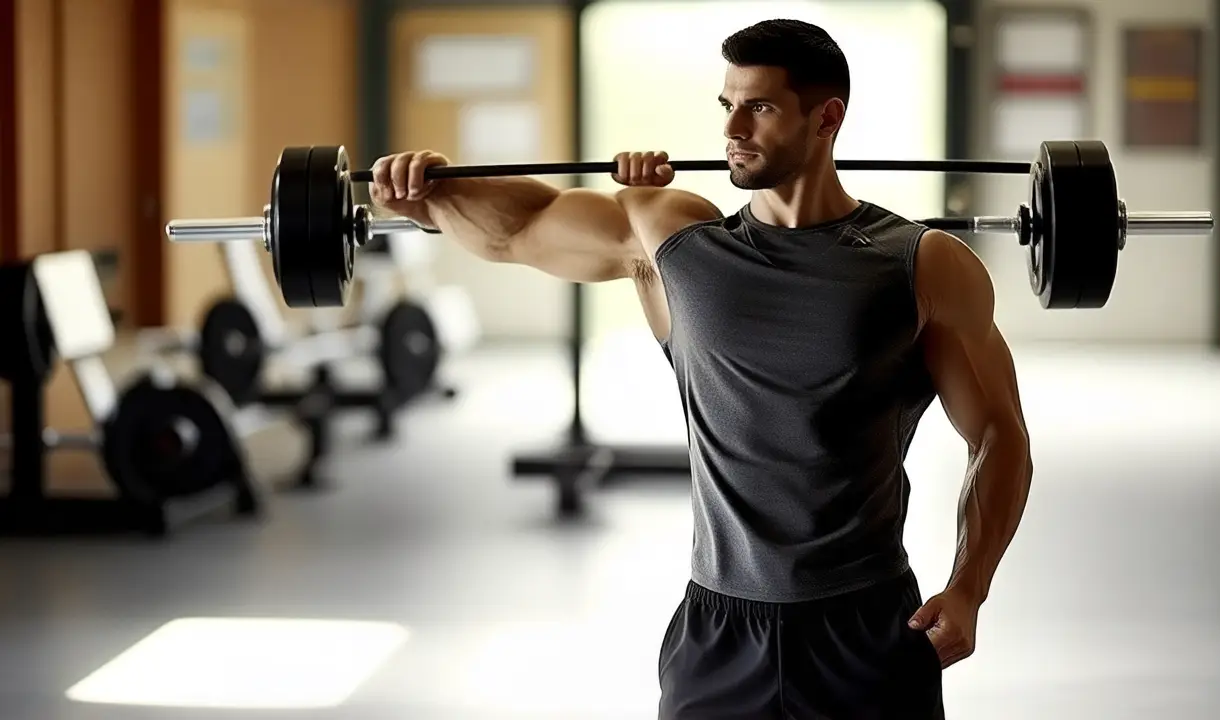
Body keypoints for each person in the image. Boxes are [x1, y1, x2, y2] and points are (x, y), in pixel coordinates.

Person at [370, 17, 1033, 720]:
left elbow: (1000, 436)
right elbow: (521, 229)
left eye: (762, 106)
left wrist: (969, 588)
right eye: (727, 106)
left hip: (864, 630)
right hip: (719, 636)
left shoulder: (921, 262)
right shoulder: (677, 242)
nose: (734, 128)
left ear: (826, 117)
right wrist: (430, 193)